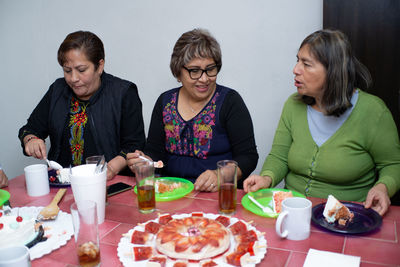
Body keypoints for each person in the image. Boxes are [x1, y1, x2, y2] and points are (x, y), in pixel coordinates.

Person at [244, 29, 400, 216]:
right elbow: (280, 155)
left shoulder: (373, 111)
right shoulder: (293, 105)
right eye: (297, 60)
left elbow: (393, 164)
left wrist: (383, 187)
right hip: (294, 211)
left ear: (333, 71)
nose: (295, 70)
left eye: (306, 64)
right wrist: (267, 177)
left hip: (347, 217)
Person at [127, 29, 258, 192]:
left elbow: (248, 157)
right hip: (172, 192)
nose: (204, 79)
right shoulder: (165, 102)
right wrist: (145, 162)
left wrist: (220, 175)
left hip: (217, 195)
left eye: (210, 69)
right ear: (178, 72)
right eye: (194, 71)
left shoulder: (230, 101)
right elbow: (155, 153)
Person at [18, 31, 146, 180]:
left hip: (109, 183)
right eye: (67, 71)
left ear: (99, 66)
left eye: (81, 70)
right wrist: (31, 140)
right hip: (62, 183)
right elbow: (29, 129)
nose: (73, 79)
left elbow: (135, 145)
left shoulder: (123, 93)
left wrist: (111, 168)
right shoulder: (58, 90)